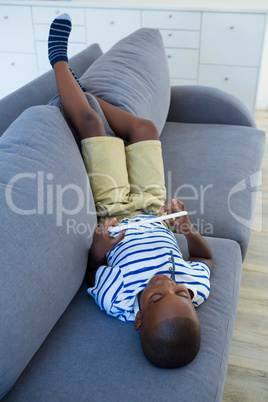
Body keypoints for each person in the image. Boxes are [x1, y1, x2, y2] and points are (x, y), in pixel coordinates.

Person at [48, 14, 213, 368]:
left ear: (138, 319)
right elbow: (205, 262)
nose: (166, 283)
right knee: (145, 129)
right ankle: (86, 96)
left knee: (93, 128)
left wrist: (99, 249)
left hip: (115, 209)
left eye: (155, 297)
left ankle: (58, 61)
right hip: (153, 205)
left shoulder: (118, 298)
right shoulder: (193, 291)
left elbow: (92, 274)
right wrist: (185, 227)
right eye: (179, 292)